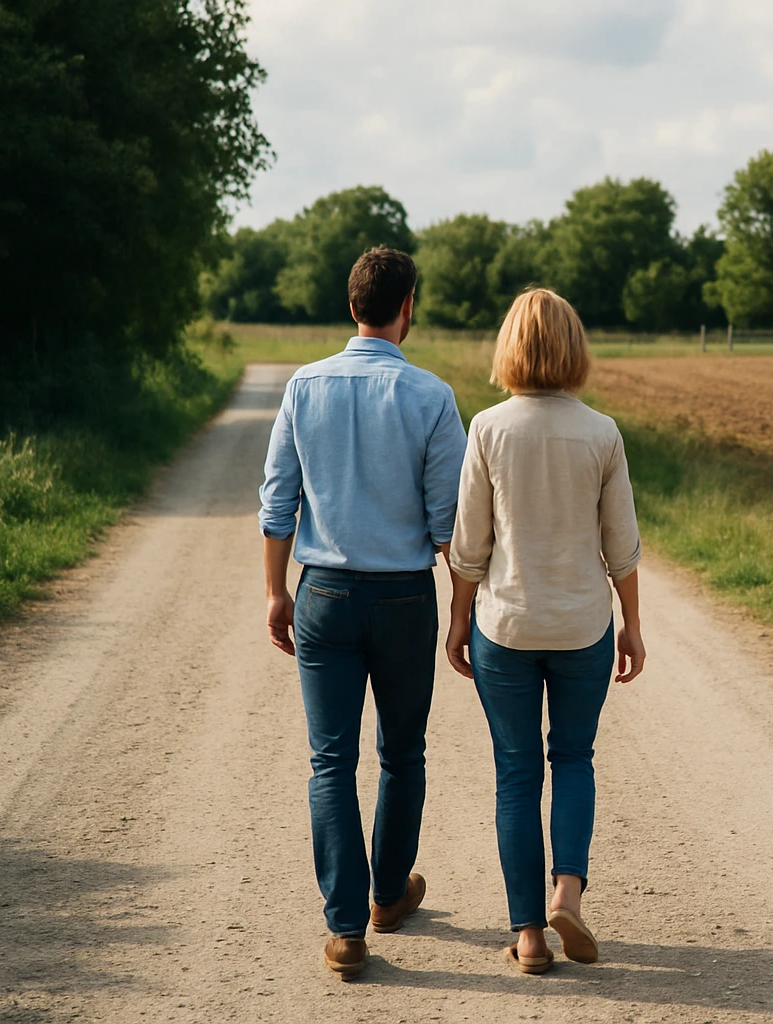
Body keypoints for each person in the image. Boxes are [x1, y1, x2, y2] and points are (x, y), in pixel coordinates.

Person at [258, 247, 467, 979]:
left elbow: (278, 502)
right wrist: (473, 605)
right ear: (407, 306)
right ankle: (386, 894)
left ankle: (345, 930)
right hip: (406, 596)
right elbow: (451, 527)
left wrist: (276, 592)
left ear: (353, 307)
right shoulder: (433, 397)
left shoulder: (304, 387)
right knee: (402, 753)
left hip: (325, 594)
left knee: (330, 760)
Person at [444, 287, 645, 975]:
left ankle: (529, 936)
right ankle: (569, 894)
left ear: (510, 349)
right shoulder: (602, 432)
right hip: (583, 624)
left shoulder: (488, 428)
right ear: (573, 348)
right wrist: (634, 627)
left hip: (506, 624)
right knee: (575, 759)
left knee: (516, 773)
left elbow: (469, 543)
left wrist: (458, 619)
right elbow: (622, 545)